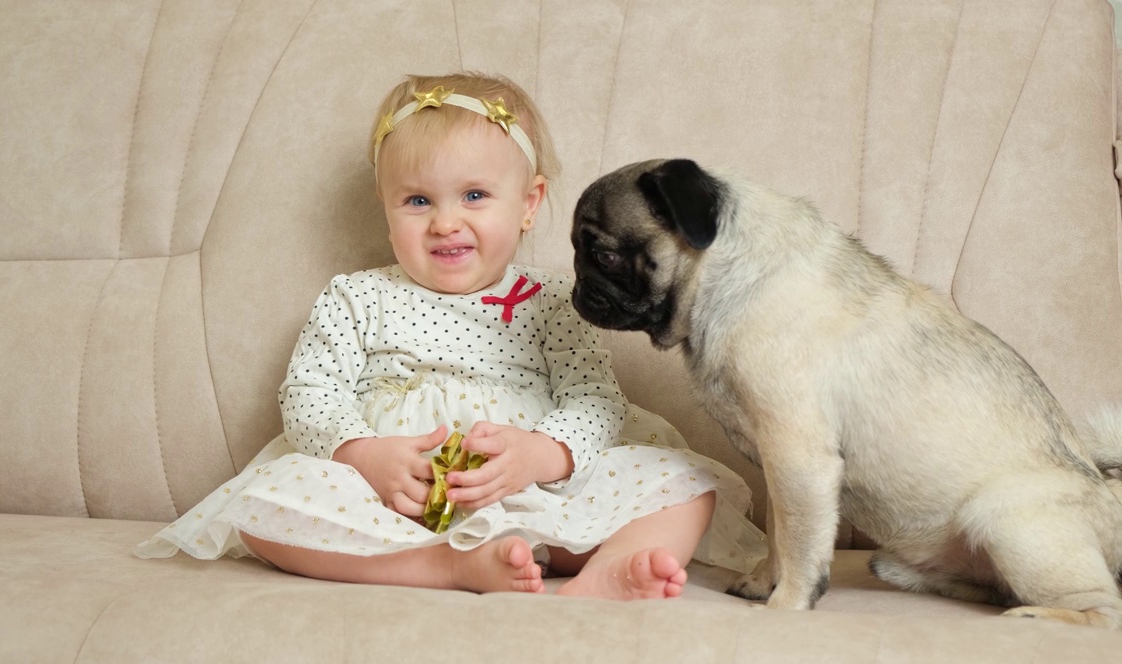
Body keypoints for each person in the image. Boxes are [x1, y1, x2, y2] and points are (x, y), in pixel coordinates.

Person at [135, 72, 765, 599]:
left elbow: (594, 399)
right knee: (266, 511)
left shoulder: (551, 300)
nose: (445, 222)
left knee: (686, 483)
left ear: (528, 203)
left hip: (532, 485)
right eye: (416, 201)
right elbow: (309, 394)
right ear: (386, 209)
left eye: (473, 194)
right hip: (394, 501)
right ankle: (449, 566)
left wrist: (542, 454)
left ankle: (599, 576)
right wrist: (363, 456)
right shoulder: (357, 297)